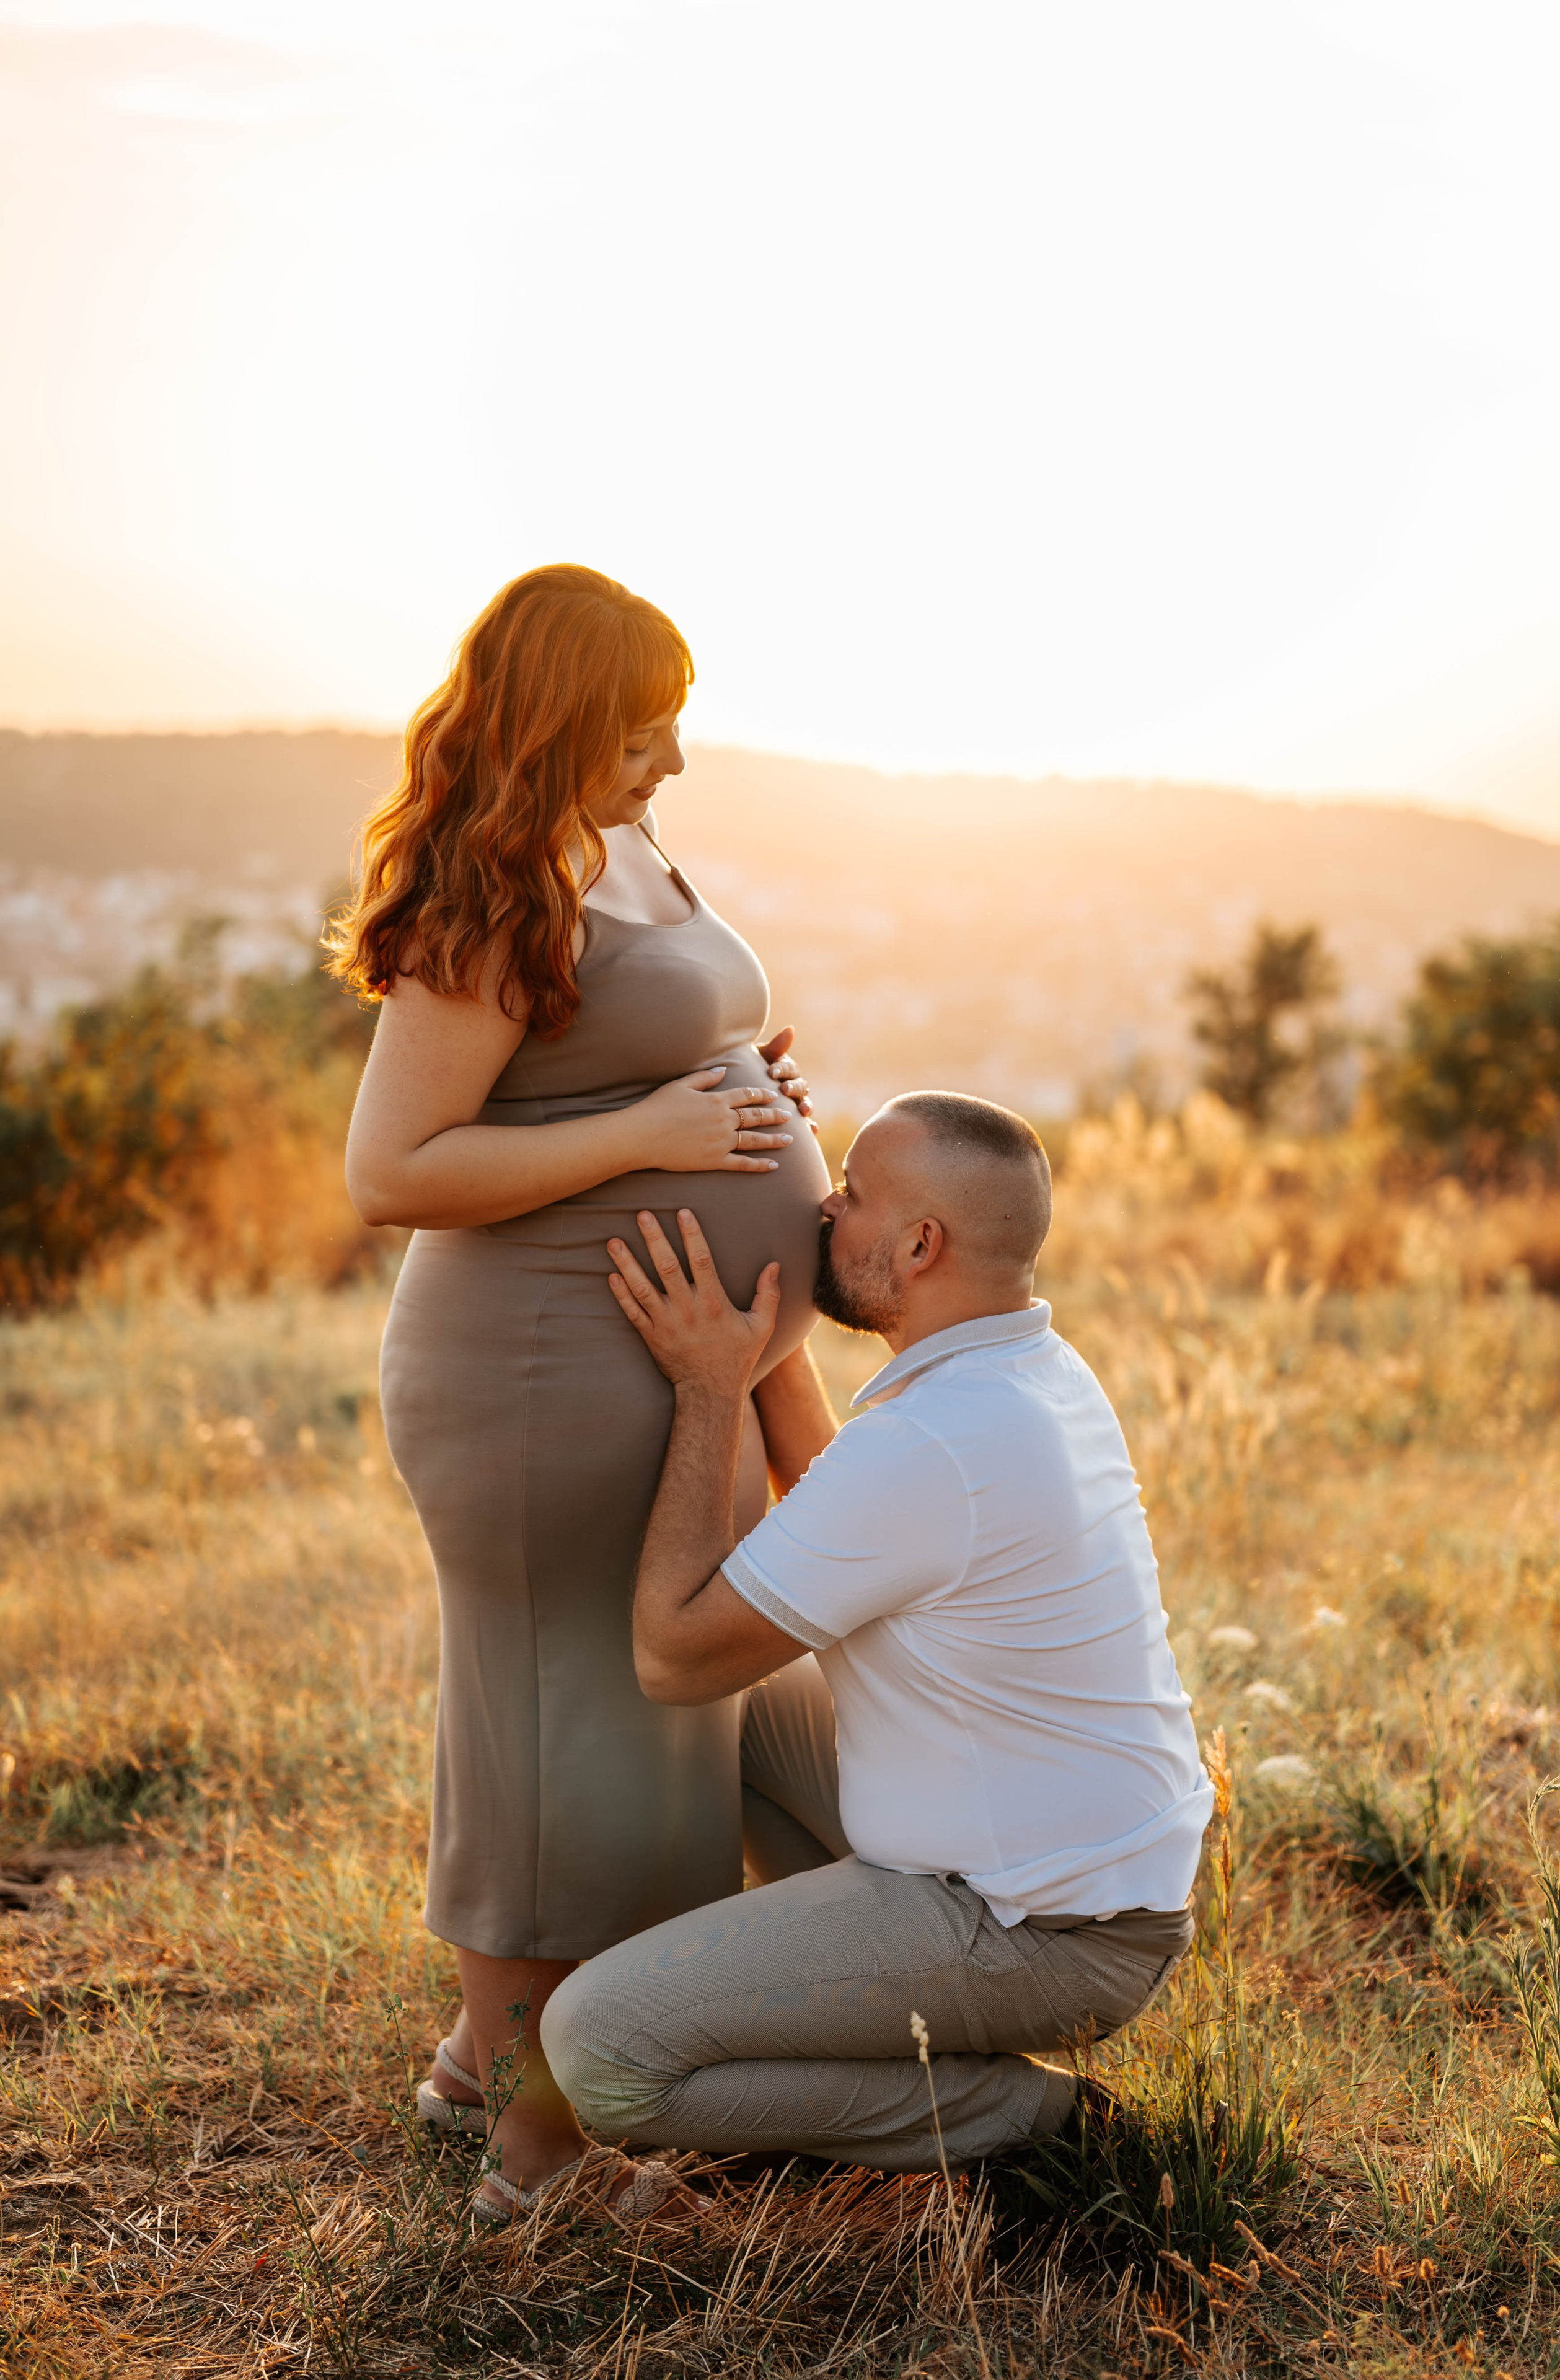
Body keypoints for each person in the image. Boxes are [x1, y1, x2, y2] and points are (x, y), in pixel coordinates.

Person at [333, 566, 838, 2221]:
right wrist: (652, 1133)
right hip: (538, 1372)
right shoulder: (491, 896)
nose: (675, 758)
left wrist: (739, 1086)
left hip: (656, 1359)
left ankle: (489, 2068)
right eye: (644, 728)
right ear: (563, 724)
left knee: (635, 1728)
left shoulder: (615, 847)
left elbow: (624, 1048)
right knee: (559, 1739)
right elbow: (391, 1166)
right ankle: (536, 2169)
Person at [541, 1091, 1213, 2177]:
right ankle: (832, 2033)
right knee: (753, 1708)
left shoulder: (937, 1441)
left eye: (849, 1194)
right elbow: (830, 1498)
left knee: (599, 2055)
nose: (821, 1208)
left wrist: (709, 1388)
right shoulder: (1024, 1371)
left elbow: (674, 1655)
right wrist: (767, 1331)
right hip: (1079, 1876)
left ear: (918, 1245)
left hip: (1043, 1932)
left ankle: (1024, 2118)